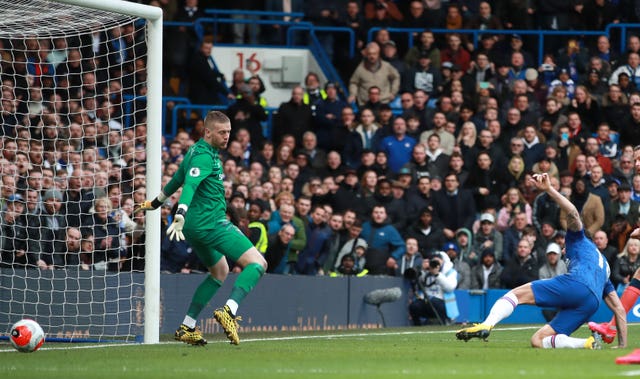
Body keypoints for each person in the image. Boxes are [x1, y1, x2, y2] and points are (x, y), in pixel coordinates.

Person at [137, 111, 267, 346]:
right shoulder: (203, 158)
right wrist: (180, 213)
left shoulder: (196, 151)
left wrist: (155, 203)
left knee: (219, 272)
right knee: (258, 263)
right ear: (208, 132)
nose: (227, 137)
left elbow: (177, 179)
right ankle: (229, 311)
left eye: (228, 132)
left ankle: (187, 326)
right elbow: (189, 185)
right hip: (210, 223)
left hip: (195, 228)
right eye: (222, 132)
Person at [456, 173, 627, 349]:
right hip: (591, 303)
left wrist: (550, 190)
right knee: (538, 341)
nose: (562, 250)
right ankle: (588, 343)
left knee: (515, 295)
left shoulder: (578, 239)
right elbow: (619, 310)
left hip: (577, 283)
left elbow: (574, 213)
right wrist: (622, 345)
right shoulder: (603, 265)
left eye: (562, 246)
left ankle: (487, 324)